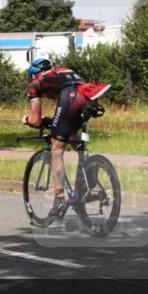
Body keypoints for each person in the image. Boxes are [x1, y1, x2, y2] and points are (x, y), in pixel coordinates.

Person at [21, 57, 110, 222]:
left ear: (33, 75)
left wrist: (27, 120)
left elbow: (36, 120)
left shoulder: (35, 83)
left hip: (71, 96)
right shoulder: (61, 72)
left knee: (56, 148)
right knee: (74, 138)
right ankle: (88, 185)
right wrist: (53, 121)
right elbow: (65, 112)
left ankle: (59, 198)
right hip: (90, 97)